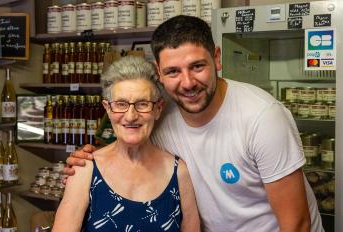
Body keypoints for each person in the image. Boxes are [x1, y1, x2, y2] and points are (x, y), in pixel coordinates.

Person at [65, 15, 323, 232]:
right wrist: (85, 158)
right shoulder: (157, 110)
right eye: (173, 71)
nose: (187, 83)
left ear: (217, 59)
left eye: (197, 66)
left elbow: (297, 224)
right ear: (159, 72)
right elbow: (121, 141)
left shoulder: (261, 117)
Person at [53, 56, 200, 231]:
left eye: (142, 104)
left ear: (158, 109)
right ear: (107, 109)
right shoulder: (85, 169)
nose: (130, 116)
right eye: (121, 104)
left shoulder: (178, 172)